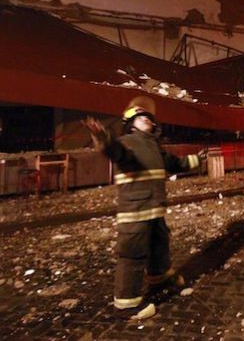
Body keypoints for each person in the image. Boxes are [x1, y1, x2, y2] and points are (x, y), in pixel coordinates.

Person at [83, 96, 202, 320]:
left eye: (148, 116)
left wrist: (198, 160)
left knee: (159, 246)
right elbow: (113, 150)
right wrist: (101, 137)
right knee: (133, 256)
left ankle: (159, 277)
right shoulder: (127, 142)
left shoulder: (154, 146)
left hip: (155, 210)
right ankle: (126, 304)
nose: (146, 118)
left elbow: (175, 164)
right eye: (140, 117)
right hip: (135, 213)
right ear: (130, 124)